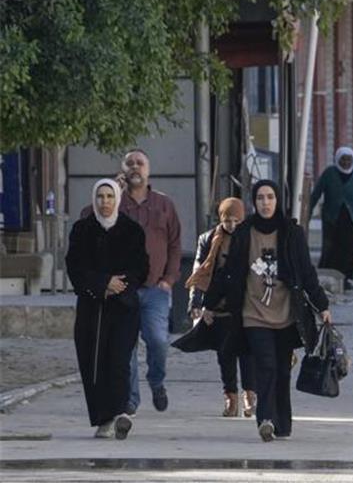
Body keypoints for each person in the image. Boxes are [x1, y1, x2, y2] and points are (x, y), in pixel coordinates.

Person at [204, 180, 331, 442]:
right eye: (260, 198)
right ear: (254, 202)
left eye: (270, 197)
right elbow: (228, 273)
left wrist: (322, 306)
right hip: (253, 314)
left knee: (282, 370)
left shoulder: (291, 232)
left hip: (286, 314)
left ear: (277, 200)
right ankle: (266, 420)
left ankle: (282, 424)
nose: (265, 203)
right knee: (266, 365)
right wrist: (207, 303)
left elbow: (306, 272)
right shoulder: (244, 232)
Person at [67, 179, 150, 439]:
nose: (105, 202)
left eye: (110, 196)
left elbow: (141, 268)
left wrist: (119, 285)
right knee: (94, 363)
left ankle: (120, 411)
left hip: (123, 308)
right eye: (100, 197)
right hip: (92, 307)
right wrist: (103, 284)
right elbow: (75, 267)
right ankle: (104, 418)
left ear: (117, 199)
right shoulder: (82, 230)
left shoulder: (131, 230)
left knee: (119, 359)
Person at [116, 149, 182, 415]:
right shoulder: (115, 201)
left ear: (148, 170)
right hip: (124, 289)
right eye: (130, 163)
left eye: (140, 163)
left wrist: (169, 279)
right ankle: (130, 401)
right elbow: (90, 219)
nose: (135, 167)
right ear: (123, 169)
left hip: (156, 289)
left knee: (158, 341)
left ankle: (156, 382)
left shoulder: (164, 204)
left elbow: (175, 244)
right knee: (126, 347)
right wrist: (113, 191)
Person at [186, 197, 256, 418]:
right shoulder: (209, 239)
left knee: (247, 353)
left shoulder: (250, 238)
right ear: (221, 219)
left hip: (245, 304)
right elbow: (200, 271)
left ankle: (249, 395)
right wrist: (196, 302)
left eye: (237, 221)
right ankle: (230, 397)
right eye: (228, 221)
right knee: (225, 353)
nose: (232, 226)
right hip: (218, 305)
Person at [310, 147, 353, 289]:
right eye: (343, 159)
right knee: (330, 249)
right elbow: (316, 193)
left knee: (348, 249)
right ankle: (326, 278)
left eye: (349, 160)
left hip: (351, 219)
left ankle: (345, 280)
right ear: (337, 160)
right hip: (332, 217)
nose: (346, 163)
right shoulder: (329, 173)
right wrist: (307, 212)